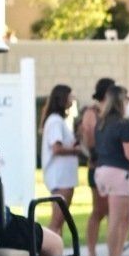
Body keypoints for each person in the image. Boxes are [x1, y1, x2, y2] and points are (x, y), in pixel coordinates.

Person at [92, 85, 129, 256]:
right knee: (116, 220)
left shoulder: (102, 123)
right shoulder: (123, 124)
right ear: (122, 102)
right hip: (119, 173)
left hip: (104, 170)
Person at [76, 77, 116, 256]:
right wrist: (97, 154)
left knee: (111, 211)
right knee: (99, 210)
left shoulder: (110, 112)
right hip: (98, 166)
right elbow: (89, 136)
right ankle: (91, 254)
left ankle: (113, 254)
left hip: (111, 167)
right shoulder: (92, 112)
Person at [39, 84, 80, 235]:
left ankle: (57, 248)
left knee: (59, 222)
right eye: (70, 96)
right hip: (60, 178)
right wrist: (76, 150)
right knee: (56, 222)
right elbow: (56, 148)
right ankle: (48, 247)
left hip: (64, 177)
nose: (73, 99)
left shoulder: (59, 120)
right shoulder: (55, 121)